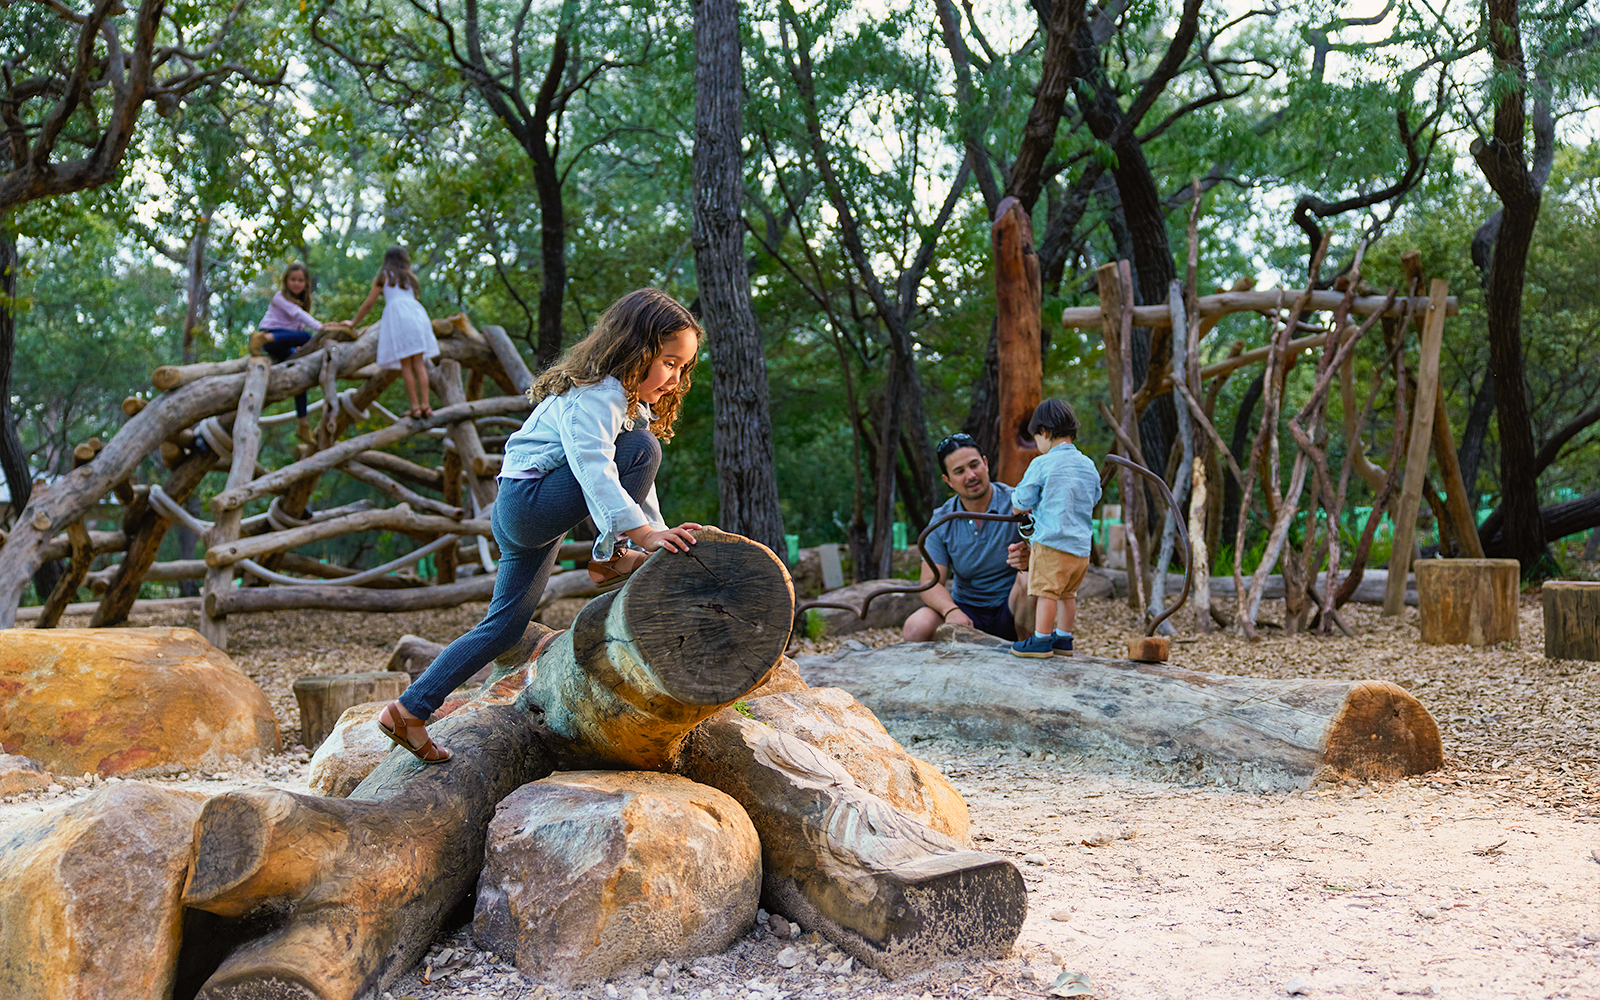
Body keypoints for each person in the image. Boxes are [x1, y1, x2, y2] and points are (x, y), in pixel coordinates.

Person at [377, 288, 705, 763]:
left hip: (524, 514)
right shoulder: (598, 395)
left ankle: (409, 711)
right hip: (529, 505)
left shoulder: (626, 405)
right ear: (639, 349)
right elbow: (597, 467)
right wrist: (635, 537)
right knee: (643, 448)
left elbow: (638, 482)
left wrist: (655, 532)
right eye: (670, 362)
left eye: (683, 368)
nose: (675, 379)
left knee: (505, 628)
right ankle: (608, 558)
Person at [900, 432, 1033, 643]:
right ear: (948, 480)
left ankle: (1030, 651)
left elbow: (1052, 555)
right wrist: (950, 610)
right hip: (966, 615)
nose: (970, 475)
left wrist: (1030, 559)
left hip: (1014, 608)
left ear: (986, 463)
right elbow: (929, 582)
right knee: (916, 627)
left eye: (974, 465)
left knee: (1029, 579)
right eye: (959, 471)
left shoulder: (1019, 503)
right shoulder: (941, 520)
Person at [1009, 399, 1101, 657]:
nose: (1038, 445)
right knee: (1067, 595)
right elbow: (1095, 496)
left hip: (1051, 544)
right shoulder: (1088, 465)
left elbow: (1023, 498)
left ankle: (1041, 640)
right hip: (1081, 549)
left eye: (1037, 438)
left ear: (1045, 433)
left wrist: (1017, 505)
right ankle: (1064, 639)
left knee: (1046, 593)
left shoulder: (1043, 463)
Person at [348, 246, 441, 418]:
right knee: (419, 364)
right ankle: (426, 406)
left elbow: (369, 303)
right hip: (418, 317)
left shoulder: (383, 276)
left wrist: (353, 322)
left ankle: (415, 407)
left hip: (399, 319)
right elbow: (413, 300)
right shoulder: (410, 278)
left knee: (406, 365)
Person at [248, 263, 337, 439]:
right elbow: (297, 315)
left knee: (300, 375)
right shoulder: (279, 297)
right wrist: (321, 327)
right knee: (305, 336)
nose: (296, 283)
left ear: (305, 283)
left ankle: (303, 425)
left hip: (285, 345)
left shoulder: (304, 301)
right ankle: (260, 339)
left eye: (300, 280)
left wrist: (299, 352)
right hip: (270, 338)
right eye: (293, 280)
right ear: (286, 281)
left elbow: (296, 327)